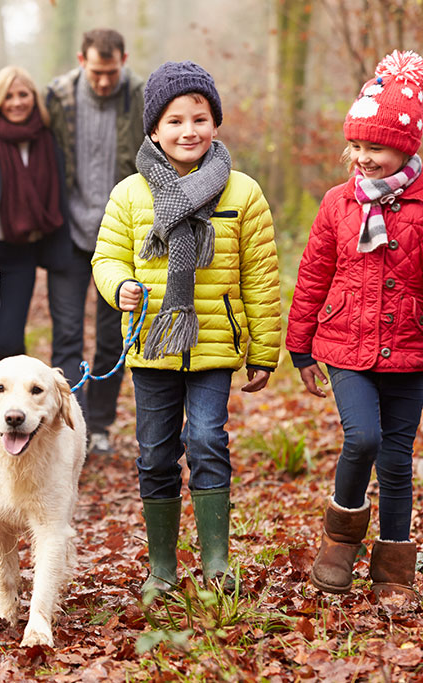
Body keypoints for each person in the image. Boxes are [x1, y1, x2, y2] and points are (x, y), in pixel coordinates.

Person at [285, 51, 423, 600]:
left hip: (409, 351)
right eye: (358, 147)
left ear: (406, 147)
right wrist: (300, 347)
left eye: (377, 148)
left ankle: (393, 567)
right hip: (346, 346)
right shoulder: (337, 204)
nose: (364, 159)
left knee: (396, 461)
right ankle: (340, 540)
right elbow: (314, 273)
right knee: (363, 437)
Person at [92, 61, 281, 598]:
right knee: (155, 452)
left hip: (215, 345)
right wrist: (120, 286)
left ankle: (216, 562)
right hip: (152, 344)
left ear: (215, 123)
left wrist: (264, 350)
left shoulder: (242, 193)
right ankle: (162, 567)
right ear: (154, 130)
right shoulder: (130, 194)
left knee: (206, 441)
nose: (188, 131)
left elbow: (261, 276)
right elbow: (106, 258)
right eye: (174, 121)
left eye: (199, 119)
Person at [45, 28, 145, 456]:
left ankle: (99, 424)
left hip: (121, 237)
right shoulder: (57, 97)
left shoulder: (140, 97)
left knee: (112, 336)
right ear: (81, 61)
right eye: (96, 72)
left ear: (124, 60)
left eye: (111, 72)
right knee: (67, 334)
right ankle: (71, 422)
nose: (104, 81)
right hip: (68, 233)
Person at [0, 66, 69, 360]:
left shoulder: (47, 139)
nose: (17, 102)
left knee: (9, 340)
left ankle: (13, 384)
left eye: (23, 94)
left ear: (34, 97)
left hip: (22, 253)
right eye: (8, 96)